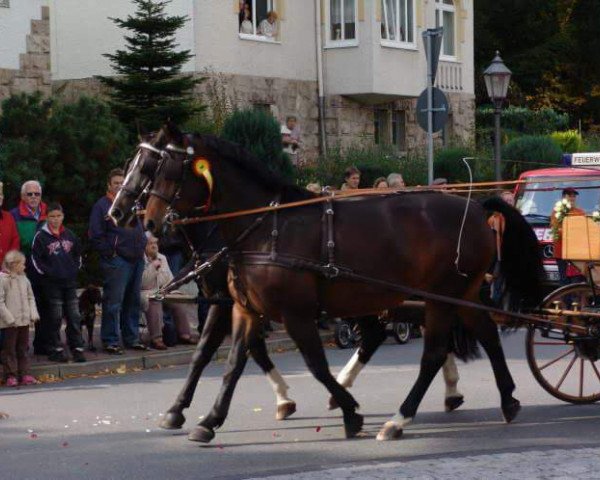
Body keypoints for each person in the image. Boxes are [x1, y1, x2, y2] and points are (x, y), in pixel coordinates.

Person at [89, 168, 148, 354]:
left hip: (137, 259)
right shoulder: (102, 206)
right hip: (118, 261)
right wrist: (111, 253)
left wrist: (142, 246)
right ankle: (110, 340)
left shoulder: (131, 203)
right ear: (109, 185)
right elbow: (95, 234)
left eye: (122, 183)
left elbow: (141, 225)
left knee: (133, 301)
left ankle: (132, 338)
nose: (119, 186)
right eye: (116, 183)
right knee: (113, 303)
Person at [31, 203, 86, 363]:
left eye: (58, 216)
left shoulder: (69, 235)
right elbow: (36, 259)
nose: (55, 220)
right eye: (52, 217)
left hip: (69, 282)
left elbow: (78, 255)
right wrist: (48, 274)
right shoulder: (40, 237)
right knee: (54, 317)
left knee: (74, 315)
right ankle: (55, 348)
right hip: (51, 284)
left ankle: (77, 347)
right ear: (47, 218)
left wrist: (74, 270)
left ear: (63, 216)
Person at [10, 180, 48, 355]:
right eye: (29, 194)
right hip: (23, 268)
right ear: (22, 196)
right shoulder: (14, 215)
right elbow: (14, 243)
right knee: (21, 309)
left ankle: (42, 345)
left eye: (37, 194)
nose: (33, 197)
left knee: (44, 307)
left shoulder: (49, 214)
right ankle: (20, 348)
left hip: (45, 268)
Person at [141, 235, 195, 350]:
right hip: (146, 291)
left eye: (156, 243)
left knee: (177, 299)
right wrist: (153, 267)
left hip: (163, 290)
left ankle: (185, 334)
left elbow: (170, 279)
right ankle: (157, 338)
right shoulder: (140, 259)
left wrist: (171, 291)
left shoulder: (162, 258)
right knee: (154, 301)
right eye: (150, 244)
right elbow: (143, 283)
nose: (154, 246)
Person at [0, 250, 40, 387]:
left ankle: (24, 374)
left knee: (23, 348)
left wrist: (33, 314)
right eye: (22, 264)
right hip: (9, 323)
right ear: (14, 264)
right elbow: (0, 302)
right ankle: (10, 375)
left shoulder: (25, 279)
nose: (24, 266)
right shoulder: (3, 280)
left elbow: (30, 297)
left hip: (24, 321)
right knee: (9, 349)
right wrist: (9, 318)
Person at [551, 188, 586, 285]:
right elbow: (556, 230)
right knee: (564, 279)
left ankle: (576, 299)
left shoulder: (580, 212)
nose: (572, 198)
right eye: (569, 196)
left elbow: (583, 229)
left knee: (577, 279)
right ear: (563, 197)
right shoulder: (557, 212)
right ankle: (565, 300)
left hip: (576, 252)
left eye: (574, 196)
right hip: (561, 252)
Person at [0, 182, 20, 266]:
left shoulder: (8, 217)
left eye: (0, 194)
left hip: (7, 269)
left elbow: (15, 240)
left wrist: (10, 261)